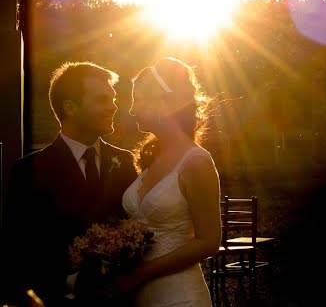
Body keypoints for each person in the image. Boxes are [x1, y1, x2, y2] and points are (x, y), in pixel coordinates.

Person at [1, 62, 138, 307]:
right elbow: (17, 248)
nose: (113, 106)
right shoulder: (29, 170)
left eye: (113, 98)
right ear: (70, 107)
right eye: (101, 99)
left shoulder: (126, 162)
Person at [111, 57, 221, 306]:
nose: (132, 110)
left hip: (178, 295)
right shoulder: (152, 157)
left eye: (137, 99)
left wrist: (142, 273)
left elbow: (209, 241)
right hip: (140, 295)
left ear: (163, 102)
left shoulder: (196, 162)